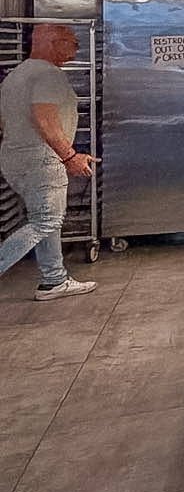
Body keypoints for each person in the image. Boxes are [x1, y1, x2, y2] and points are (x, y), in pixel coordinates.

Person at [0, 22, 96, 300]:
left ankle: (54, 279)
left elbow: (7, 120)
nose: (76, 47)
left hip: (16, 156)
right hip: (42, 159)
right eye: (71, 42)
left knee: (46, 219)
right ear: (51, 42)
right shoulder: (48, 75)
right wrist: (69, 155)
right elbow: (44, 119)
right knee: (45, 221)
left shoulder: (17, 75)